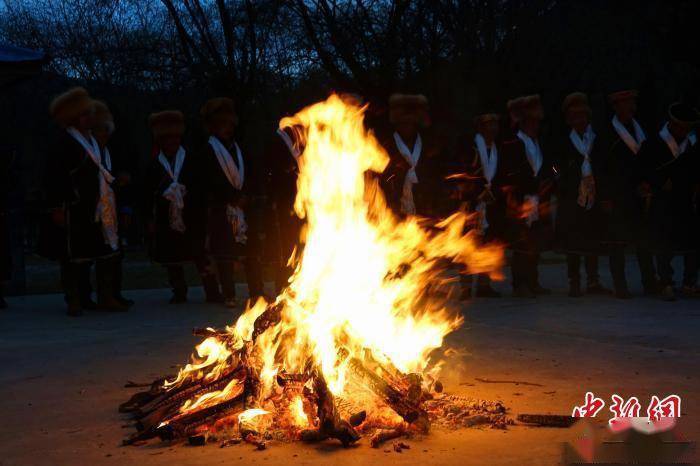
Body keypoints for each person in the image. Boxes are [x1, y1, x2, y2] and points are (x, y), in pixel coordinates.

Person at [39, 87, 123, 315]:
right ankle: (74, 299)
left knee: (104, 251)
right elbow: (53, 178)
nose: (89, 118)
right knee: (74, 257)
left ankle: (105, 296)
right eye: (84, 115)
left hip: (98, 206)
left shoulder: (94, 141)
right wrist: (56, 207)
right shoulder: (63, 143)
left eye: (89, 114)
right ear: (73, 118)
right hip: (75, 207)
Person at [198, 97, 265, 308]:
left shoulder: (241, 149)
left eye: (228, 125)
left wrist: (247, 196)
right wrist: (230, 197)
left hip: (245, 207)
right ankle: (229, 293)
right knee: (225, 254)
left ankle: (257, 292)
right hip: (221, 207)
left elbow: (254, 174)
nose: (225, 129)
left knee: (251, 252)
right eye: (220, 125)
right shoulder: (206, 151)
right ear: (212, 127)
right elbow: (208, 179)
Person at [597, 89, 657, 298]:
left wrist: (647, 183)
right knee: (617, 242)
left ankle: (650, 282)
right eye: (626, 103)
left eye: (633, 102)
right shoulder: (607, 134)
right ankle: (620, 285)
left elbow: (648, 160)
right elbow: (601, 168)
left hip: (638, 193)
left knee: (644, 240)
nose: (631, 107)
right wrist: (605, 196)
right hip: (617, 194)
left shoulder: (640, 129)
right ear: (616, 107)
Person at [638, 103, 700, 301]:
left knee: (692, 242)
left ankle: (690, 282)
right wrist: (659, 182)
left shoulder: (692, 144)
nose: (684, 130)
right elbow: (643, 169)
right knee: (664, 243)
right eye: (681, 126)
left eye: (687, 127)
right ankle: (665, 282)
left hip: (686, 199)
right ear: (672, 124)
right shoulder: (654, 143)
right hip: (662, 200)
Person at [144, 110, 205, 303]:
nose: (172, 142)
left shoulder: (191, 158)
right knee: (171, 255)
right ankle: (179, 290)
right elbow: (146, 191)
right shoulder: (153, 163)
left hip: (191, 212)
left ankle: (212, 289)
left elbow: (199, 185)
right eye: (167, 139)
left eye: (175, 138)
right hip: (165, 214)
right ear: (160, 141)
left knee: (199, 253)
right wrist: (149, 218)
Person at [554, 92, 611, 297]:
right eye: (574, 117)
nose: (579, 120)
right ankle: (574, 281)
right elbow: (554, 167)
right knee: (572, 241)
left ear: (588, 117)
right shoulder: (563, 140)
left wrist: (603, 193)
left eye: (582, 116)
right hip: (571, 197)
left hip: (593, 197)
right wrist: (561, 178)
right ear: (569, 119)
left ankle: (593, 280)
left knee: (592, 238)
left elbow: (604, 167)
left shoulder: (596, 139)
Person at [501, 94, 556, 298]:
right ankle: (519, 284)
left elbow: (546, 167)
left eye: (536, 122)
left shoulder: (538, 142)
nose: (535, 125)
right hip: (521, 200)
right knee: (521, 243)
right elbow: (511, 172)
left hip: (539, 199)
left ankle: (533, 281)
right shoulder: (513, 143)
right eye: (531, 122)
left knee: (535, 242)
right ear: (523, 122)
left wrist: (548, 182)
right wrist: (526, 188)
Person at [454, 111, 504, 299]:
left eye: (494, 125)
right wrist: (477, 191)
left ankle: (484, 284)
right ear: (480, 128)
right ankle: (466, 286)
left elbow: (501, 174)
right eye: (488, 125)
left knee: (488, 243)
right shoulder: (470, 147)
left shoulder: (498, 148)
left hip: (491, 203)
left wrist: (494, 193)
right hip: (471, 203)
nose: (492, 129)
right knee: (467, 244)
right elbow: (463, 172)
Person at [380, 93, 452, 219]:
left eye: (410, 122)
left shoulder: (427, 146)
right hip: (393, 207)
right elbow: (381, 178)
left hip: (423, 206)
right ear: (397, 124)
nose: (407, 126)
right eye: (403, 122)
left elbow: (433, 174)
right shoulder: (386, 146)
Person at [92, 100, 133, 307]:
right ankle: (100, 296)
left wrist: (126, 208)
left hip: (113, 210)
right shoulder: (88, 153)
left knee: (116, 254)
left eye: (106, 131)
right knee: (100, 254)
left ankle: (114, 293)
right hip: (95, 211)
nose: (104, 135)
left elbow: (122, 184)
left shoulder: (113, 153)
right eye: (100, 131)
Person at [264, 122, 305, 293]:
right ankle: (282, 283)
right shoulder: (276, 141)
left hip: (304, 200)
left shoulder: (305, 139)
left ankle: (301, 283)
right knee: (283, 246)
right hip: (282, 201)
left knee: (302, 242)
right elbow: (270, 171)